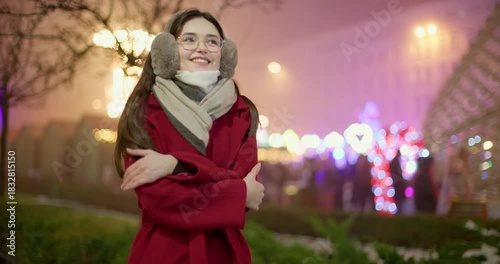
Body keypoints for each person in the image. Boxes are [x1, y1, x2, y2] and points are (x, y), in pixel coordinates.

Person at [113, 9, 264, 264]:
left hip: (225, 255)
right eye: (190, 39)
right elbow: (159, 199)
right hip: (163, 254)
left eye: (212, 41)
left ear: (224, 54)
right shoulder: (144, 112)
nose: (202, 48)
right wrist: (234, 194)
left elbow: (248, 188)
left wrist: (174, 164)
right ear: (169, 51)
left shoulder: (242, 113)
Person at [389, 149, 406, 214]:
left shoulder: (396, 161)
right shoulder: (395, 162)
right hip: (398, 184)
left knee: (399, 200)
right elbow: (395, 173)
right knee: (399, 200)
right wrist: (401, 180)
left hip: (398, 183)